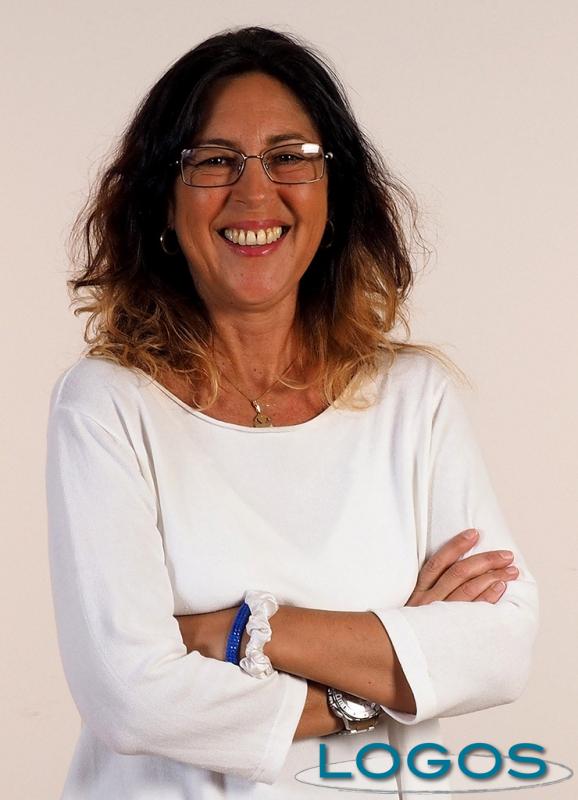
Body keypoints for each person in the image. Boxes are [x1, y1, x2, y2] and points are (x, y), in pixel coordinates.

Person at [46, 26, 539, 800]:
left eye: (289, 157)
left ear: (332, 193)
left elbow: (501, 646)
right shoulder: (108, 405)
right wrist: (382, 679)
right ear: (164, 200)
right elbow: (132, 699)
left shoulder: (413, 399)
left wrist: (239, 631)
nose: (254, 193)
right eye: (214, 160)